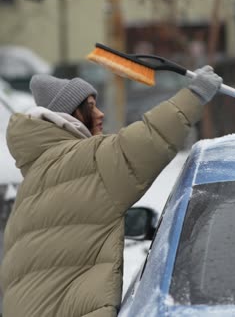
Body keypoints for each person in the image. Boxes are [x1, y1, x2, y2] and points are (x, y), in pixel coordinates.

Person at [1, 65, 222, 317]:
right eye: (91, 106)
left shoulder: (34, 179)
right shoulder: (86, 161)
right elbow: (150, 139)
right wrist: (195, 94)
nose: (100, 113)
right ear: (71, 113)